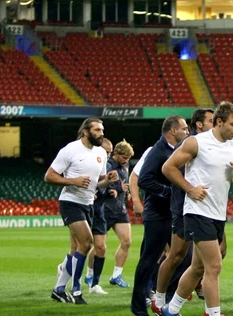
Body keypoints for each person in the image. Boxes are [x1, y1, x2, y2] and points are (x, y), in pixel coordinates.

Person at [160, 102, 233, 316]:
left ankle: (170, 310)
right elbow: (168, 167)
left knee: (198, 268)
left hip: (218, 213)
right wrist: (190, 189)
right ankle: (213, 313)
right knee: (214, 266)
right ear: (219, 122)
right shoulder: (195, 143)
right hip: (197, 212)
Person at [45, 117, 119, 305]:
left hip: (88, 203)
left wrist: (108, 180)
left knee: (76, 248)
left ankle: (58, 290)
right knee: (86, 243)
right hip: (70, 201)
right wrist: (73, 181)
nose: (101, 133)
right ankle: (76, 290)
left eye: (102, 130)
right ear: (86, 132)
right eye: (97, 130)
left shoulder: (102, 152)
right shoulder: (70, 149)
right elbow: (49, 176)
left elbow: (98, 182)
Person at [152, 108, 215, 314]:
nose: (215, 124)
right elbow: (172, 171)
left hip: (207, 209)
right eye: (211, 121)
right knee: (177, 255)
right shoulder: (190, 144)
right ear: (199, 124)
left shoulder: (213, 144)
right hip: (183, 207)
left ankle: (188, 303)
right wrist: (190, 190)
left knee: (212, 257)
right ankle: (159, 299)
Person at [130, 115, 189, 316]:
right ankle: (138, 307)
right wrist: (168, 192)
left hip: (172, 212)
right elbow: (144, 179)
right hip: (158, 214)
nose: (187, 131)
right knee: (149, 259)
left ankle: (164, 299)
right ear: (173, 131)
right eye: (184, 128)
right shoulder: (158, 150)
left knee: (183, 257)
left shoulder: (176, 150)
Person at [85, 139, 134, 294]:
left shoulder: (125, 166)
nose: (126, 161)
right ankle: (89, 274)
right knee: (99, 246)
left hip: (120, 210)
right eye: (124, 157)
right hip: (106, 209)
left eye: (128, 158)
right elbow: (102, 184)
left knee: (126, 242)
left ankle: (116, 275)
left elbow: (123, 184)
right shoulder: (107, 165)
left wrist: (126, 192)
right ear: (116, 154)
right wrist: (116, 189)